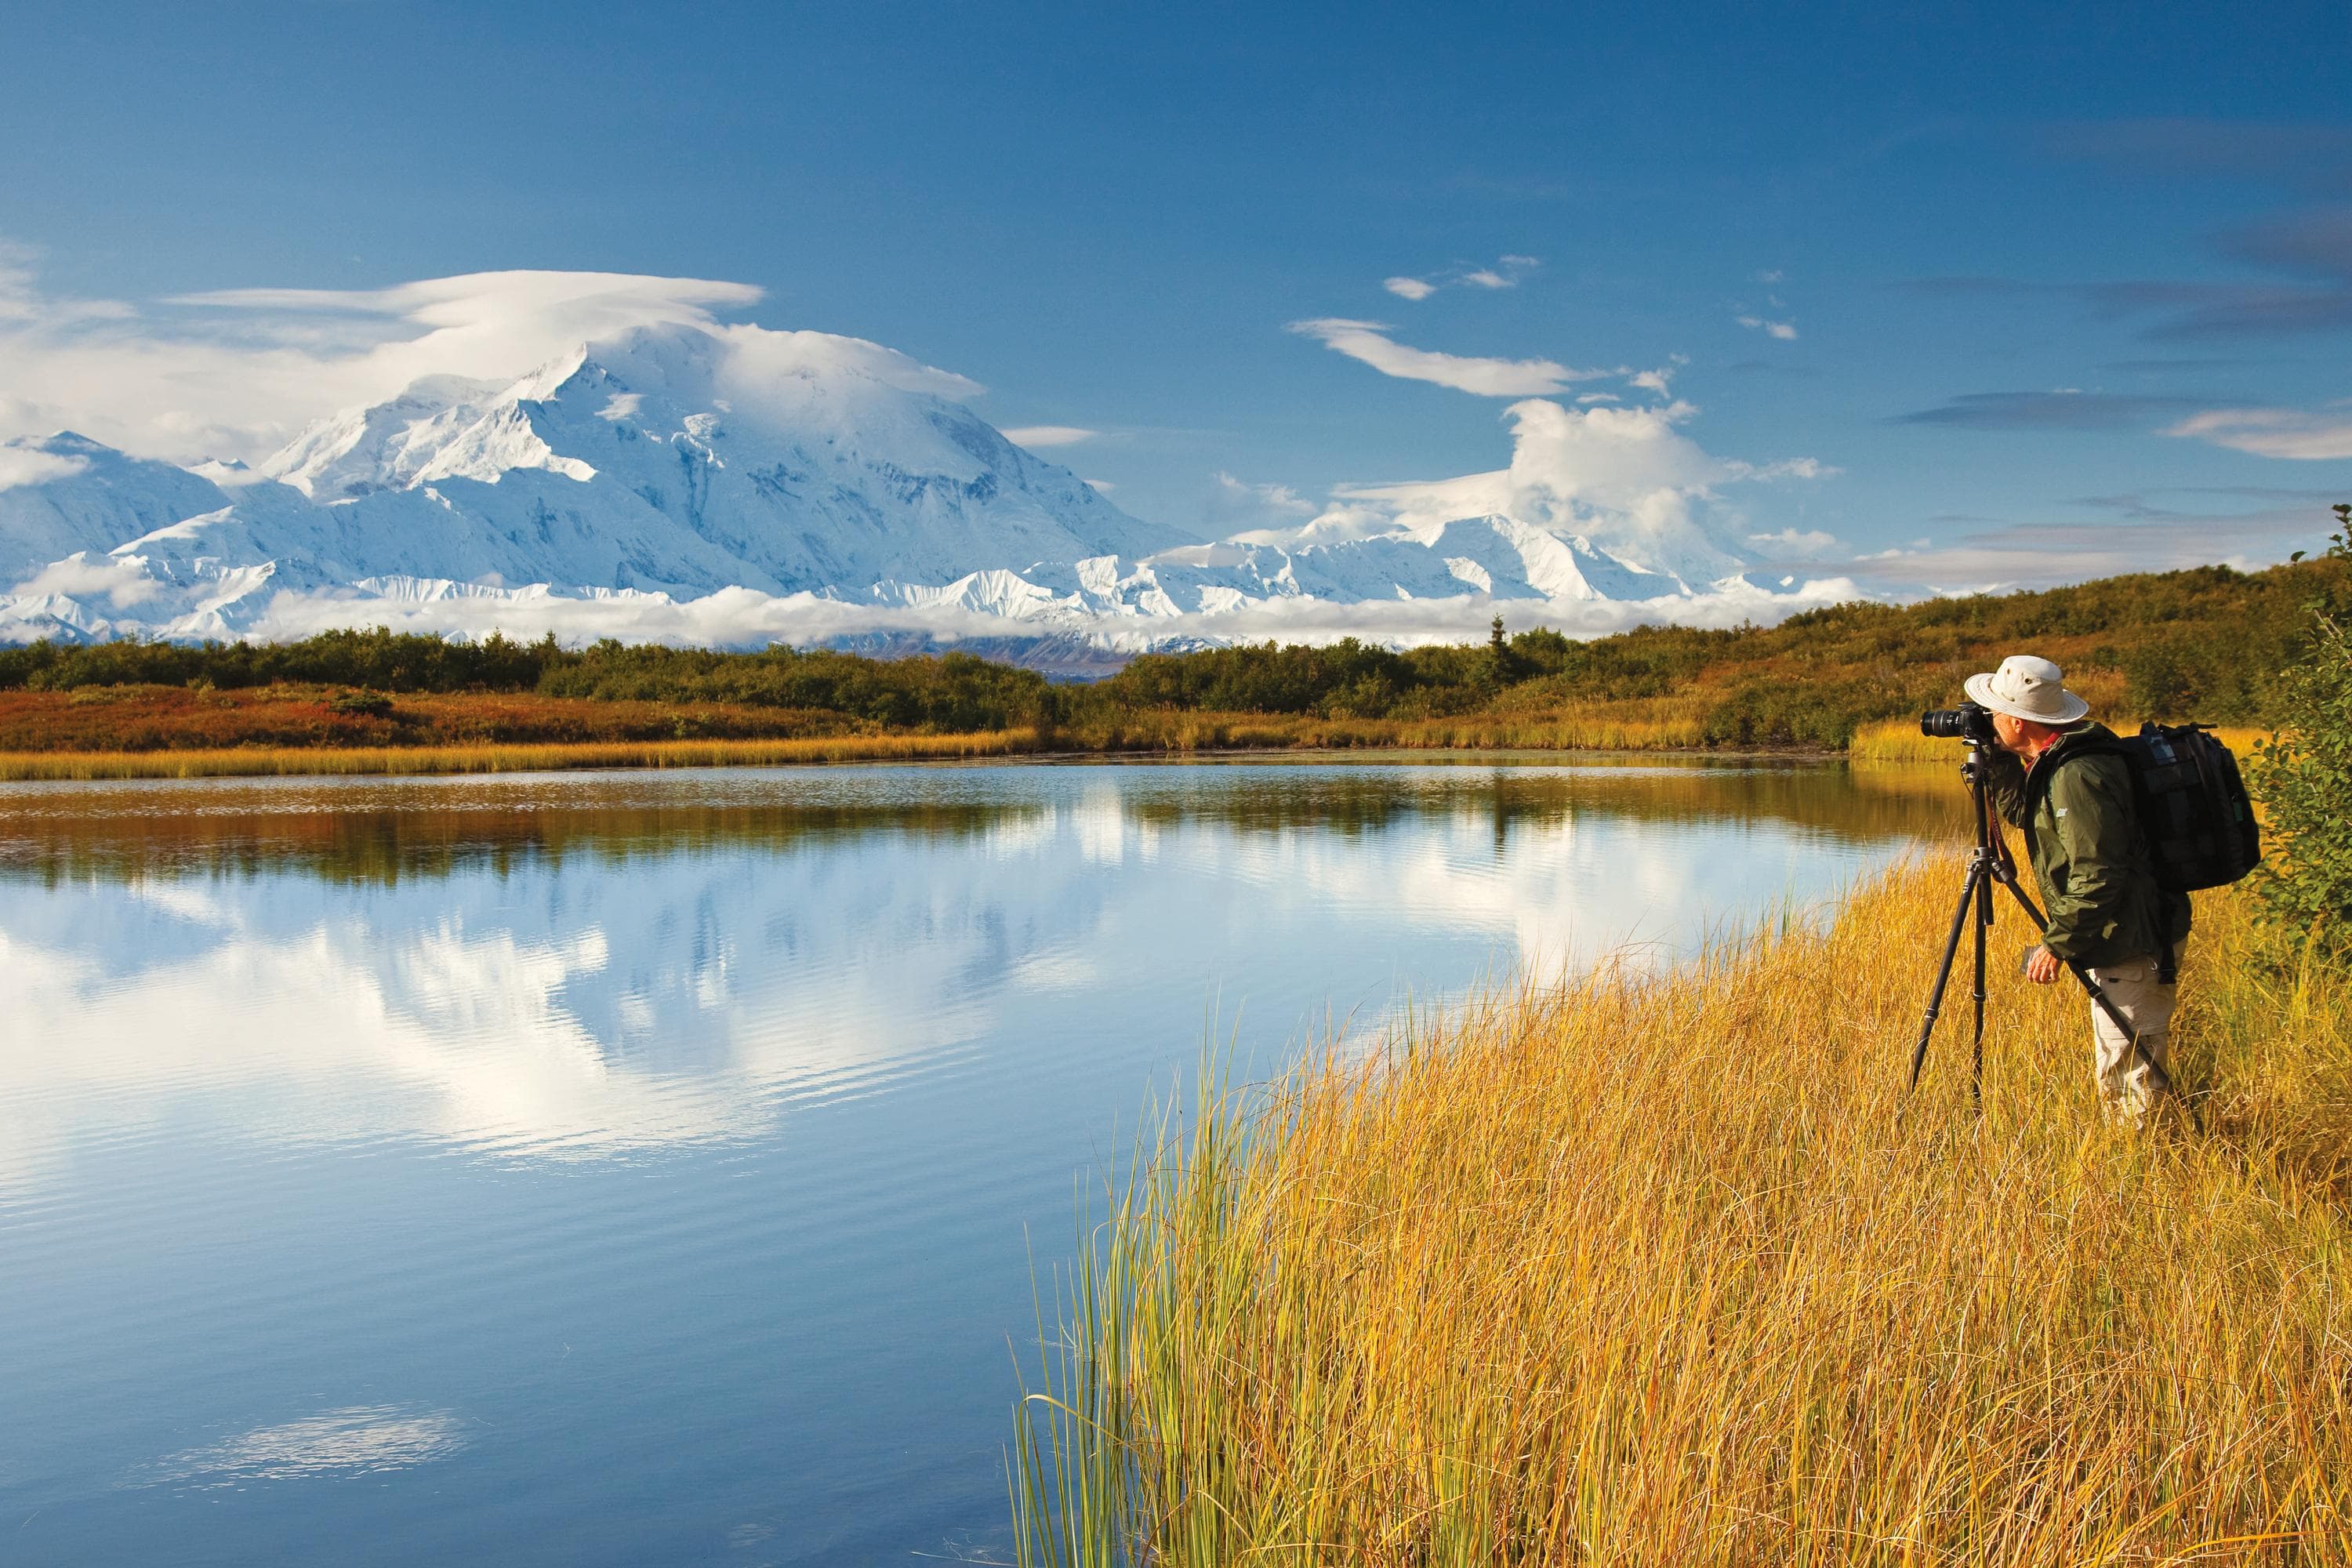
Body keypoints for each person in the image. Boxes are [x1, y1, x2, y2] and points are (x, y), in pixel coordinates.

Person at [1969, 655, 2190, 1124]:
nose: (1988, 720)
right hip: (2121, 934)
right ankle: (2141, 1163)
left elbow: (2100, 870)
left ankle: (2146, 1172)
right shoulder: (2057, 758)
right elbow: (2029, 820)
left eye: (1993, 713)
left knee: (2131, 1071)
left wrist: (2058, 942)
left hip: (2132, 940)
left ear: (2016, 719)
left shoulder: (2077, 775)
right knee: (2125, 1062)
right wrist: (2000, 764)